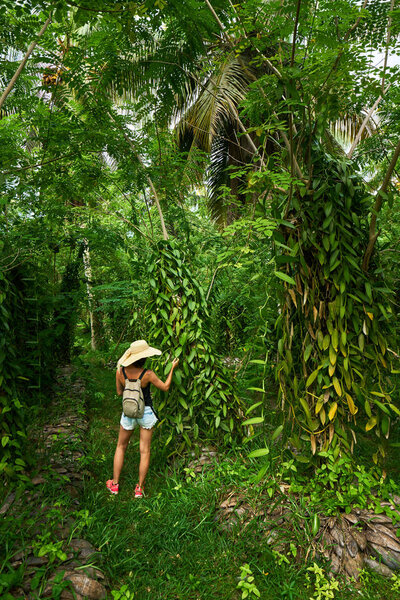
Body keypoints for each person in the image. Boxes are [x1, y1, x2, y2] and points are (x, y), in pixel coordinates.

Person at [106, 339, 179, 498]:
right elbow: (165, 387)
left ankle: (115, 484)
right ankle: (139, 488)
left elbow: (119, 393)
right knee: (144, 451)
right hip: (145, 413)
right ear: (144, 357)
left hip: (128, 412)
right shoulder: (148, 374)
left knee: (121, 446)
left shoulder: (120, 372)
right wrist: (172, 368)